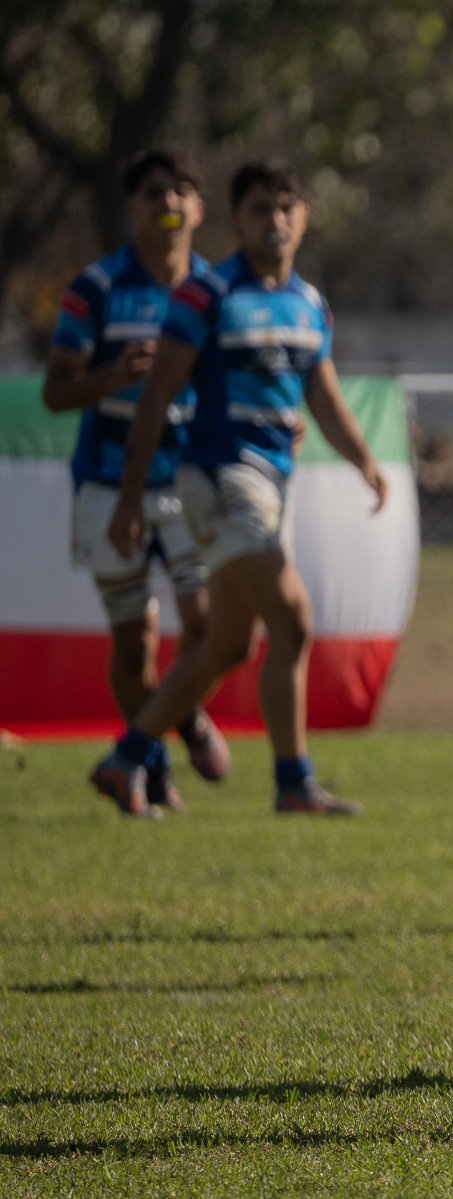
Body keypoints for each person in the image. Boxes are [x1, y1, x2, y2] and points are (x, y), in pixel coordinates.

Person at [89, 160, 388, 817]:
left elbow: (323, 394)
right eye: (260, 209)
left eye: (286, 207)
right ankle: (292, 780)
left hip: (271, 483)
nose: (275, 221)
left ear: (303, 217)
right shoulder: (207, 294)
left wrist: (365, 459)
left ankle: (126, 758)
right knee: (294, 621)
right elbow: (158, 393)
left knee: (228, 644)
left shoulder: (309, 303)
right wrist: (132, 494)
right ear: (237, 221)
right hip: (221, 476)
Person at [43, 149, 231, 815]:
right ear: (133, 207)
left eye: (181, 190)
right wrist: (115, 375)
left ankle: (183, 719)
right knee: (134, 642)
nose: (168, 201)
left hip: (188, 481)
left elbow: (239, 382)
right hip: (107, 482)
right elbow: (56, 393)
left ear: (201, 208)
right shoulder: (94, 288)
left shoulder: (215, 290)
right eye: (153, 192)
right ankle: (149, 765)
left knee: (209, 628)